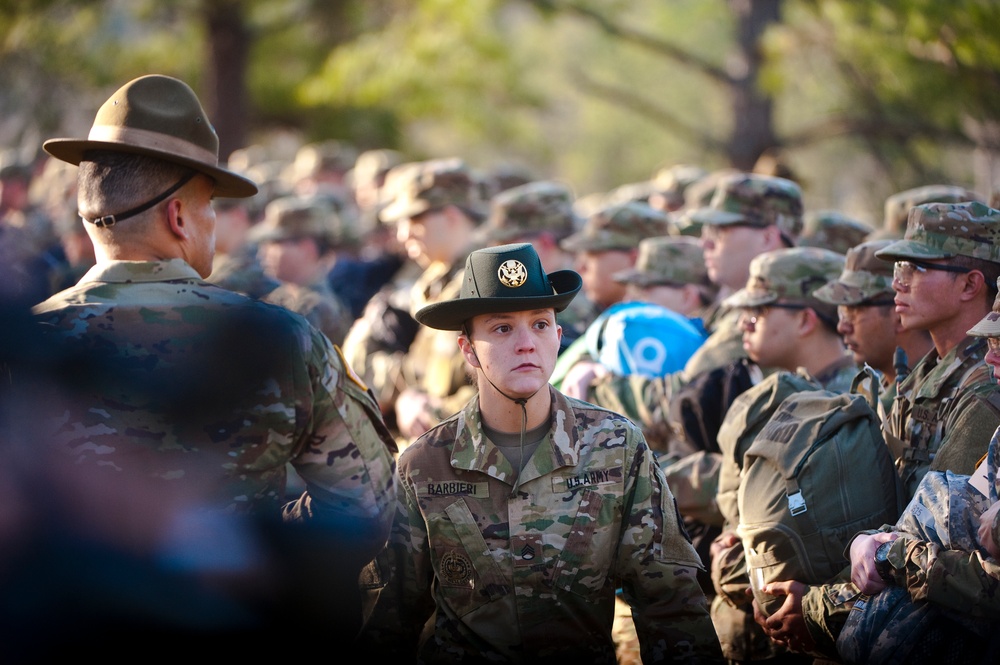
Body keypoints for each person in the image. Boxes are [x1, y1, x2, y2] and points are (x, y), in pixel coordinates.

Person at [27, 74, 397, 650]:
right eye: (210, 208)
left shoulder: (28, 344)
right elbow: (368, 506)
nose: (212, 226)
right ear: (179, 217)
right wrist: (259, 538)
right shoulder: (281, 339)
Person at [357, 242, 723, 663]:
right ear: (468, 350)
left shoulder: (615, 447)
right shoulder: (423, 465)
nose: (527, 343)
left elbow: (671, 605)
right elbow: (387, 625)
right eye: (502, 328)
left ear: (559, 336)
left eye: (540, 325)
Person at [755, 201, 1000, 660]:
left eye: (918, 267)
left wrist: (816, 608)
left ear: (971, 284)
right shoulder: (923, 378)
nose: (898, 282)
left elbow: (932, 542)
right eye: (899, 266)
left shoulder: (986, 388)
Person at [831, 285, 1000, 663]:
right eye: (990, 340)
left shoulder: (983, 395)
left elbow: (985, 576)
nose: (991, 357)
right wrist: (871, 544)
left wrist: (891, 557)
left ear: (971, 283)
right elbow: (940, 519)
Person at [813, 238, 934, 415]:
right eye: (842, 311)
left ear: (899, 314)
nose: (842, 327)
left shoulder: (931, 399)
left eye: (853, 312)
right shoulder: (875, 392)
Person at [253, 193, 357, 345]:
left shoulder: (316, 308)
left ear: (307, 248)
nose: (264, 253)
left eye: (275, 243)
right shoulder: (282, 297)